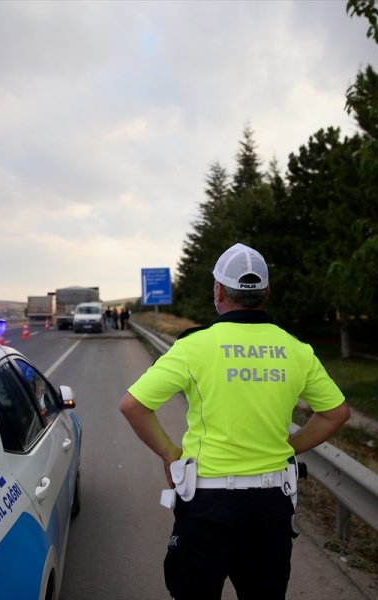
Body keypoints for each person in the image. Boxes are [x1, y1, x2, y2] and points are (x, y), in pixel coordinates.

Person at [119, 242, 350, 600]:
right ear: (266, 293)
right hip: (271, 505)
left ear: (218, 291)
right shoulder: (296, 349)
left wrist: (169, 453)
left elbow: (133, 405)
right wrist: (290, 447)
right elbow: (336, 413)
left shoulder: (194, 346)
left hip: (208, 505)